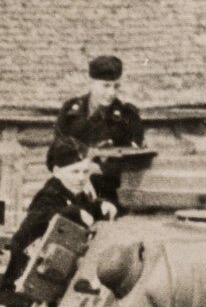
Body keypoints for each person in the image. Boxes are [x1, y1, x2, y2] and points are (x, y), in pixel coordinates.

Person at [2, 140, 117, 307]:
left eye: (85, 172)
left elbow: (85, 206)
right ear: (56, 172)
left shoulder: (75, 192)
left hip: (56, 263)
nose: (81, 178)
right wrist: (74, 212)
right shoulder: (49, 194)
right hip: (27, 267)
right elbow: (45, 215)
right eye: (75, 172)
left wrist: (100, 206)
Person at [51, 54, 145, 200]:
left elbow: (134, 160)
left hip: (109, 194)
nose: (111, 93)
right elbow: (55, 152)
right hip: (70, 190)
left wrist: (101, 169)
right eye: (106, 86)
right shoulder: (70, 111)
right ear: (91, 82)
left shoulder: (128, 116)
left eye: (116, 86)